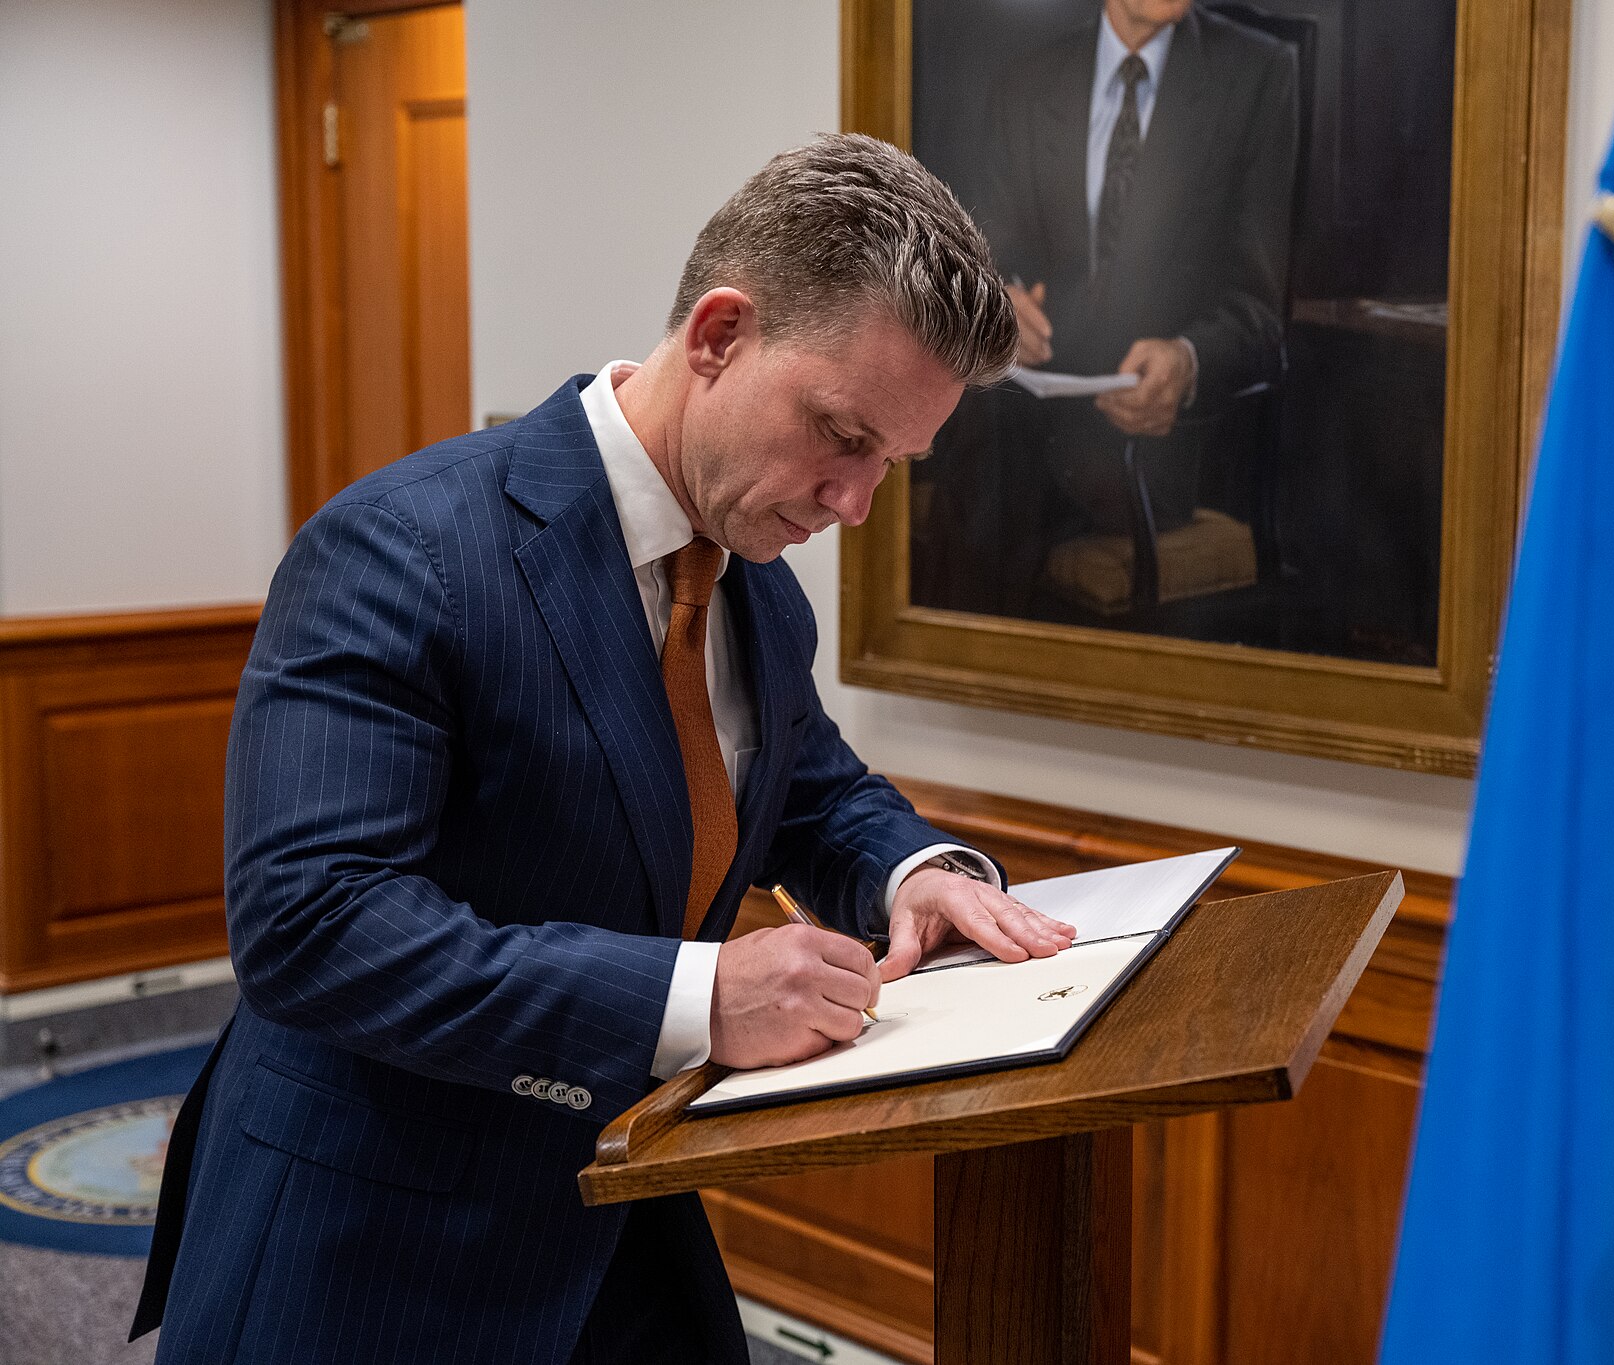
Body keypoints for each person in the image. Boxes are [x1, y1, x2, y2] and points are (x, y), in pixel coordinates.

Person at [131, 134, 1075, 1365]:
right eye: (842, 435)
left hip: (614, 1219)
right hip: (369, 1243)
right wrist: (698, 997)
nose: (854, 505)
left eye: (891, 464)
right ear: (720, 334)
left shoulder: (755, 582)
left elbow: (806, 788)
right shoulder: (403, 549)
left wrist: (915, 873)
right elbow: (314, 928)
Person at [916, 0, 1298, 614]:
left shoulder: (1256, 74)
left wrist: (1188, 360)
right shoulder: (1028, 78)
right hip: (1020, 423)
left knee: (987, 483)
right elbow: (981, 255)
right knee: (984, 446)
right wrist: (1000, 304)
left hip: (1146, 442)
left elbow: (1260, 313)